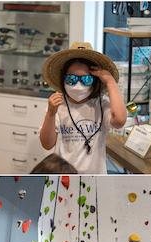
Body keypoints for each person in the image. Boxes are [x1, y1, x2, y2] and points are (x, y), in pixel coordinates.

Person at [40, 42, 126, 174]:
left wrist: (110, 81)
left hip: (95, 176)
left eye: (86, 79)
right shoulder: (59, 106)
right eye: (71, 79)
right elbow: (47, 144)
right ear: (63, 79)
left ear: (95, 80)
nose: (78, 85)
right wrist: (51, 114)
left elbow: (119, 121)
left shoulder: (101, 104)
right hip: (64, 174)